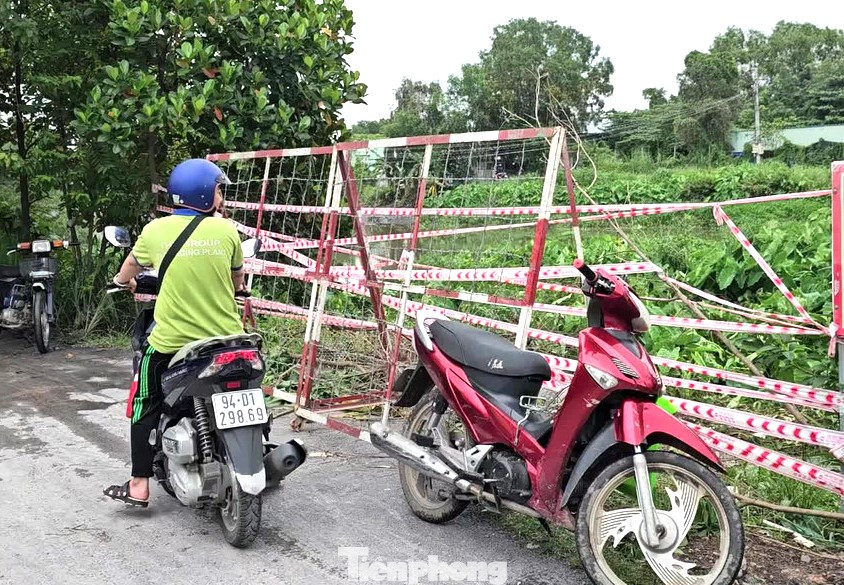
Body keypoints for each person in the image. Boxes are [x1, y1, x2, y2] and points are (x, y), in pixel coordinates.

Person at [103, 158, 245, 507]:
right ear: (205, 194)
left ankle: (139, 485)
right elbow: (237, 279)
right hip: (228, 337)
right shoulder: (226, 230)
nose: (221, 195)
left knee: (144, 399)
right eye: (219, 189)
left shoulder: (155, 231)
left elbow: (131, 266)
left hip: (173, 341)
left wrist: (121, 281)